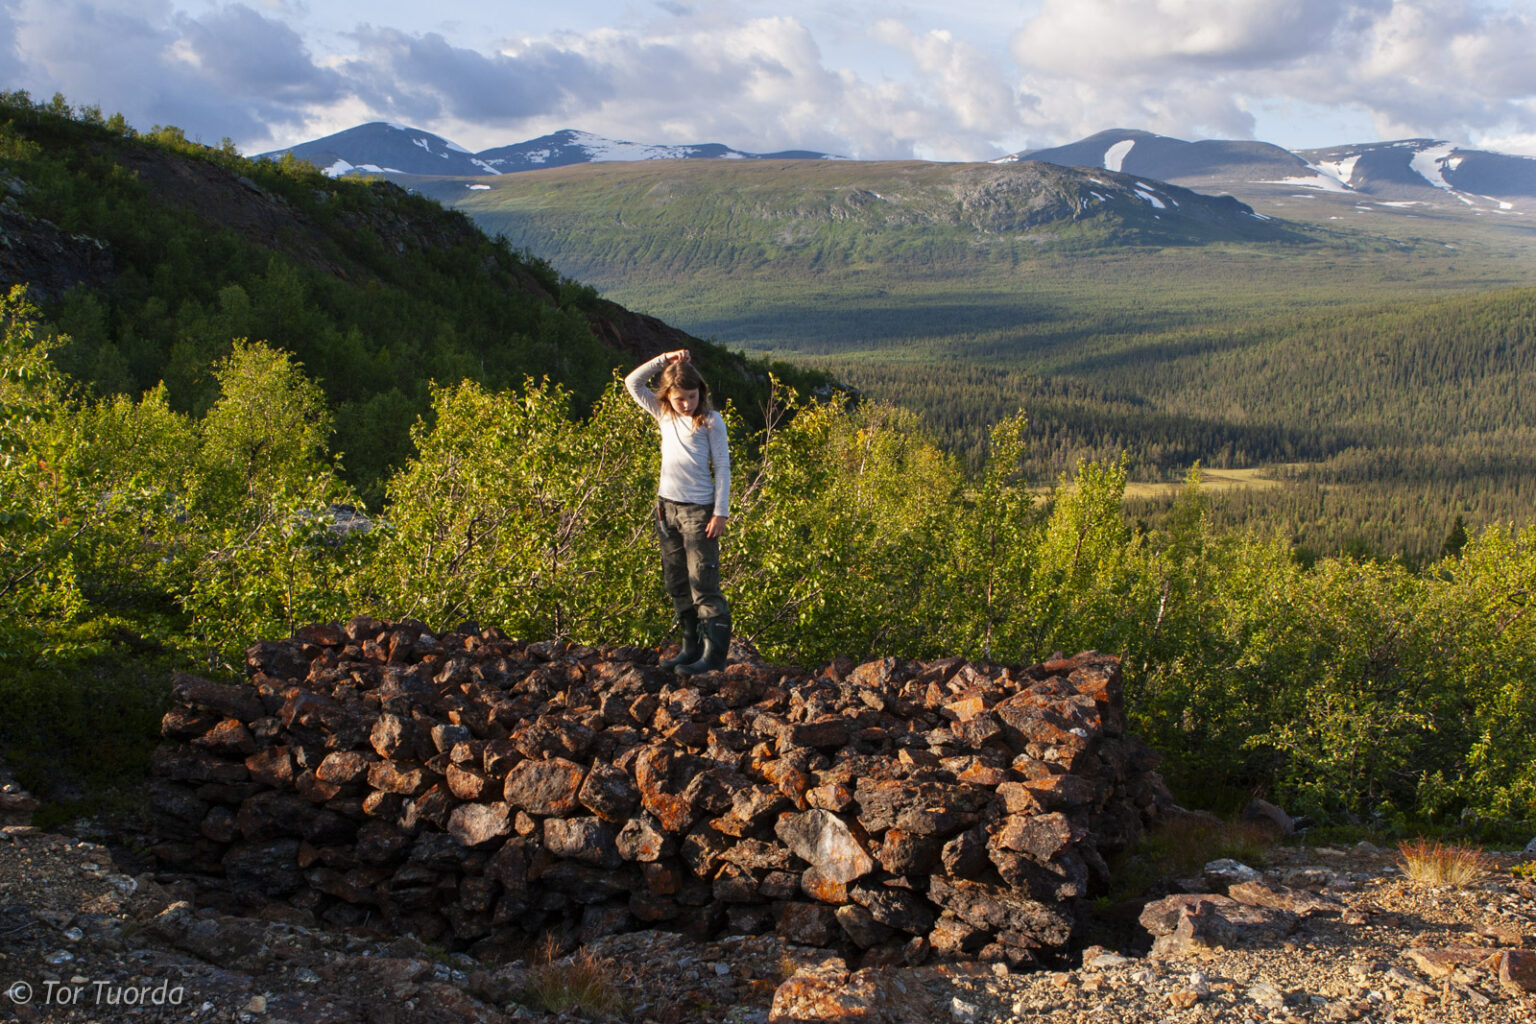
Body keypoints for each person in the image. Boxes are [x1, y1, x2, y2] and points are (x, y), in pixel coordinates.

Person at [625, 349, 732, 675]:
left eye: (691, 396)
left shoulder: (711, 421)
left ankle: (712, 660)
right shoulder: (664, 414)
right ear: (667, 396)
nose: (686, 403)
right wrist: (665, 360)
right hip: (665, 509)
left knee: (703, 582)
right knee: (677, 582)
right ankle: (690, 650)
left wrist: (720, 513)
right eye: (679, 397)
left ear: (701, 392)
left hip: (698, 512)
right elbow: (632, 382)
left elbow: (723, 467)